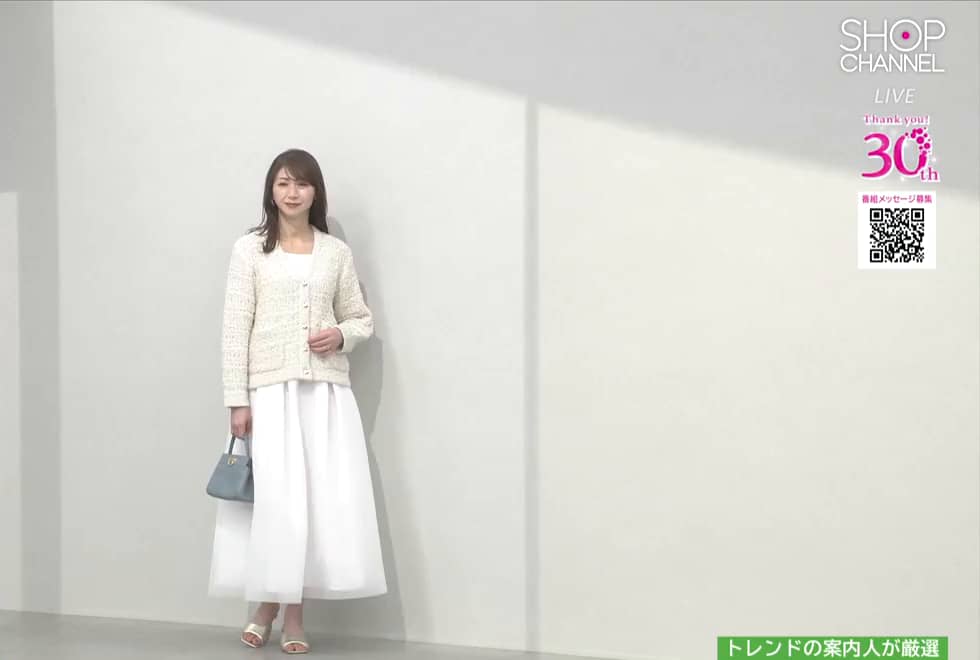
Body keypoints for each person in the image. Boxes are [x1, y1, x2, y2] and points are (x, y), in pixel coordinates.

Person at [208, 148, 387, 654]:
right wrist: (236, 400)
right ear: (271, 190)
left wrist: (341, 335)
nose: (292, 192)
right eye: (284, 183)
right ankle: (273, 611)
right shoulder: (249, 250)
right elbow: (234, 329)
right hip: (269, 393)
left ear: (315, 192)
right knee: (280, 505)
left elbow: (360, 318)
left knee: (315, 504)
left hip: (325, 395)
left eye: (302, 184)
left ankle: (286, 617)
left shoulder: (335, 253)